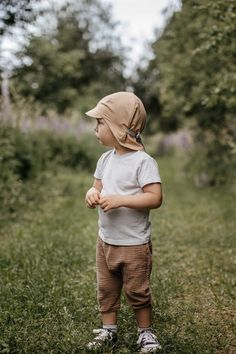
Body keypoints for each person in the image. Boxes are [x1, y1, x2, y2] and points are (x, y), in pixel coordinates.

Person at [84, 92, 162, 353]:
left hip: (134, 244)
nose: (95, 129)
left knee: (137, 290)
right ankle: (109, 330)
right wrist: (92, 194)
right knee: (106, 288)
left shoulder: (143, 162)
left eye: (100, 123)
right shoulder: (105, 160)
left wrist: (121, 200)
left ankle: (145, 332)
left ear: (119, 128)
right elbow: (95, 187)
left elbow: (155, 197)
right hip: (106, 240)